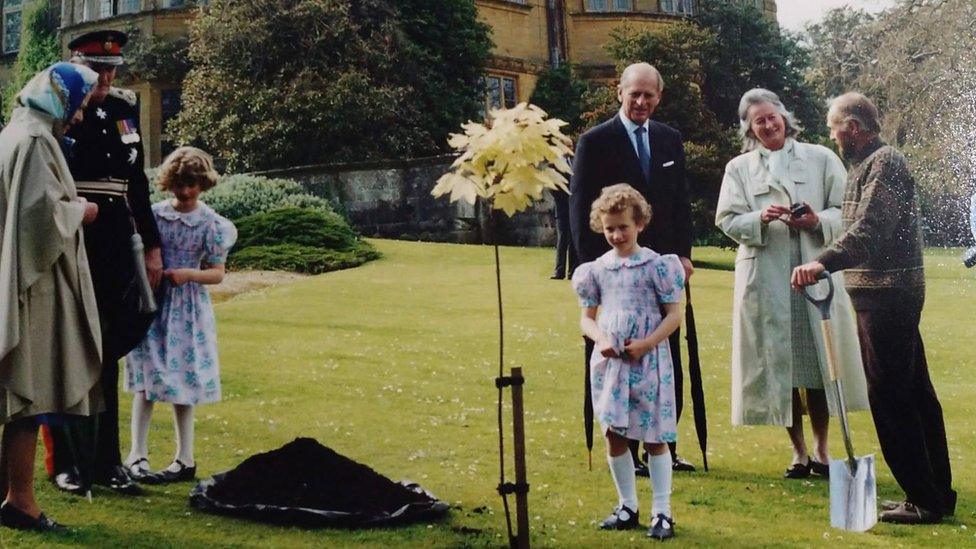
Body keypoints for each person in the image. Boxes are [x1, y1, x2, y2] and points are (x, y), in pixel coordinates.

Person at [792, 92, 956, 524]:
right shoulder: (865, 166)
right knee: (915, 393)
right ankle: (935, 493)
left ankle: (923, 498)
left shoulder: (885, 163)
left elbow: (870, 229)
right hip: (879, 294)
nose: (831, 136)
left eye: (833, 128)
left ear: (853, 127)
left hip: (889, 294)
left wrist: (821, 262)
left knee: (892, 395)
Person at [714, 89, 868, 479]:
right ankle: (798, 452)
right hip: (767, 276)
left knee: (818, 363)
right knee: (780, 367)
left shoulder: (820, 158)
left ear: (785, 117)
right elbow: (727, 219)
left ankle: (822, 449)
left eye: (772, 117)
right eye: (758, 121)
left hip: (813, 272)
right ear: (749, 128)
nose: (767, 125)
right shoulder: (739, 169)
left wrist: (816, 221)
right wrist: (759, 219)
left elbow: (847, 210)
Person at [43, 29, 163, 497]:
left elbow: (137, 182)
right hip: (75, 230)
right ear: (76, 63)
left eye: (112, 68)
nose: (107, 77)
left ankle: (106, 460)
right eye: (97, 68)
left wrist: (151, 246)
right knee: (71, 345)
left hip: (114, 234)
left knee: (109, 346)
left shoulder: (123, 109)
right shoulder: (59, 109)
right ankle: (66, 462)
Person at [569, 62, 696, 473]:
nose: (641, 102)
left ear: (659, 97)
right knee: (614, 357)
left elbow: (680, 202)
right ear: (619, 93)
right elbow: (578, 209)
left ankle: (662, 446)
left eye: (649, 95)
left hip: (660, 270)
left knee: (665, 357)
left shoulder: (669, 139)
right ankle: (621, 444)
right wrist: (595, 268)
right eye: (634, 94)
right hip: (614, 272)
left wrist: (683, 253)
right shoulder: (594, 141)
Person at [0, 62, 101, 532]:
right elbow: (40, 215)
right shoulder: (37, 140)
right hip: (33, 283)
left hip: (14, 272)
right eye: (78, 105)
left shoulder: (11, 132)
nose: (79, 116)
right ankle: (20, 501)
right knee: (27, 393)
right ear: (61, 97)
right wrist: (82, 208)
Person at [572, 184, 684, 540]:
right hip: (611, 364)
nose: (617, 235)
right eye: (610, 228)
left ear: (639, 224)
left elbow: (674, 314)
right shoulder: (596, 270)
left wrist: (648, 343)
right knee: (614, 433)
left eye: (623, 226)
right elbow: (587, 318)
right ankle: (627, 506)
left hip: (647, 360)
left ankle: (662, 512)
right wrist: (601, 339)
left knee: (653, 436)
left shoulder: (657, 265)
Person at [123, 147, 236, 484]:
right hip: (152, 305)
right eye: (179, 185)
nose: (185, 192)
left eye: (192, 185)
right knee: (146, 379)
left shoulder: (211, 224)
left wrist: (188, 273)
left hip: (187, 308)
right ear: (169, 184)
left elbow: (217, 273)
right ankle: (136, 454)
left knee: (182, 381)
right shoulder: (155, 215)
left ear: (202, 184)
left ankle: (185, 458)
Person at [550, 188, 577, 279]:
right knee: (563, 240)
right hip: (563, 210)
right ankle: (562, 271)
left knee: (568, 240)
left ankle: (569, 271)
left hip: (569, 210)